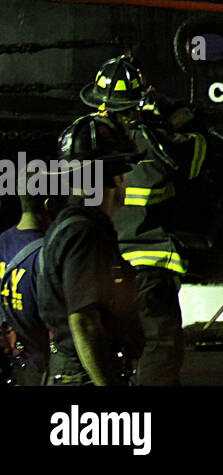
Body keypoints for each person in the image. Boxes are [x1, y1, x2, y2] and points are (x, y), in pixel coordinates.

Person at [79, 54, 208, 386]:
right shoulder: (153, 143)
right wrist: (168, 108)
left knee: (105, 349)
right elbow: (197, 149)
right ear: (137, 105)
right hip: (148, 272)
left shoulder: (81, 145)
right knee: (161, 349)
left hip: (97, 269)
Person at [37, 114, 144, 387]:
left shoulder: (70, 226)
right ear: (115, 176)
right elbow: (83, 321)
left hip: (76, 371)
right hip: (84, 376)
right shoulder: (85, 233)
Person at [0, 161, 67, 385]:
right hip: (43, 367)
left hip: (13, 365)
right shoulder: (50, 252)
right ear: (50, 204)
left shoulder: (2, 243)